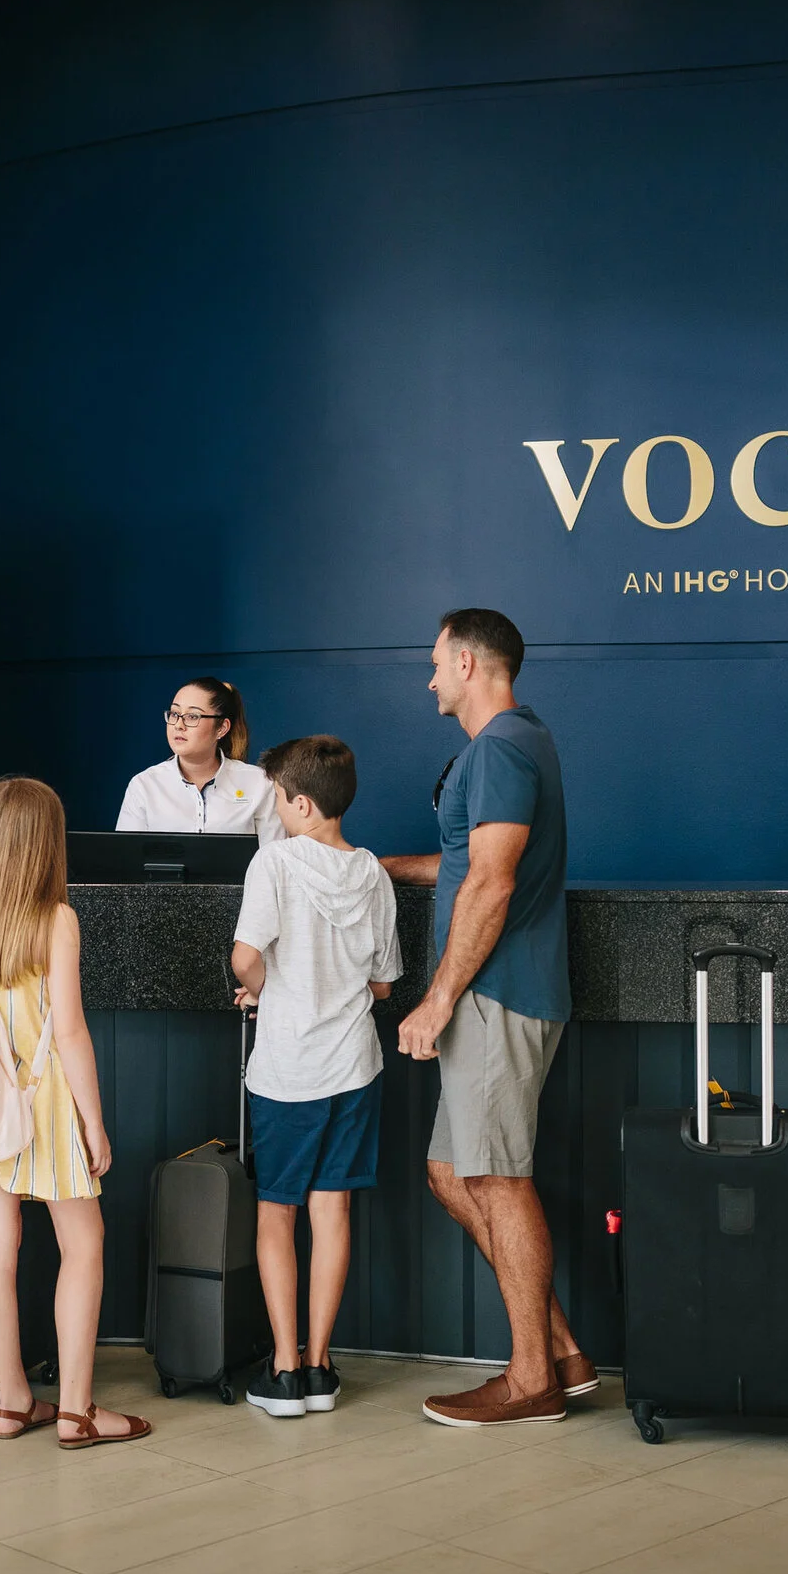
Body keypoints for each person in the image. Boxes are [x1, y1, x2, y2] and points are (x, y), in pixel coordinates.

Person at [378, 608, 590, 1428]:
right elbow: (469, 862)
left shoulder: (500, 747)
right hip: (493, 995)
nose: (430, 677)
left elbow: (494, 882)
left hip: (498, 994)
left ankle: (532, 1378)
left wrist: (437, 998)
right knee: (451, 1173)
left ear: (467, 663)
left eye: (436, 662)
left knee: (499, 1178)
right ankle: (561, 1350)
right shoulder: (513, 742)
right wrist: (377, 865)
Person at [0, 777, 151, 1448]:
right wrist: (94, 1120)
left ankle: (12, 1402)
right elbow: (70, 1031)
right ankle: (77, 1412)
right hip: (44, 1101)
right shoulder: (55, 919)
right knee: (82, 1243)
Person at [229, 735, 400, 1419]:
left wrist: (265, 989)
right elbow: (383, 985)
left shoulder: (274, 863)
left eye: (276, 798)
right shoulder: (373, 873)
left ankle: (283, 1369)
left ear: (300, 804)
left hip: (288, 1071)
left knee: (278, 1211)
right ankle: (321, 1366)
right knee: (333, 1211)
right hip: (354, 1065)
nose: (274, 809)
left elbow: (245, 958)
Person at [116, 676, 284, 843]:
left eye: (192, 716)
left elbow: (274, 854)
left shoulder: (259, 783)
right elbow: (126, 855)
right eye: (174, 714)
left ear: (222, 728)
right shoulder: (144, 785)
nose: (178, 725)